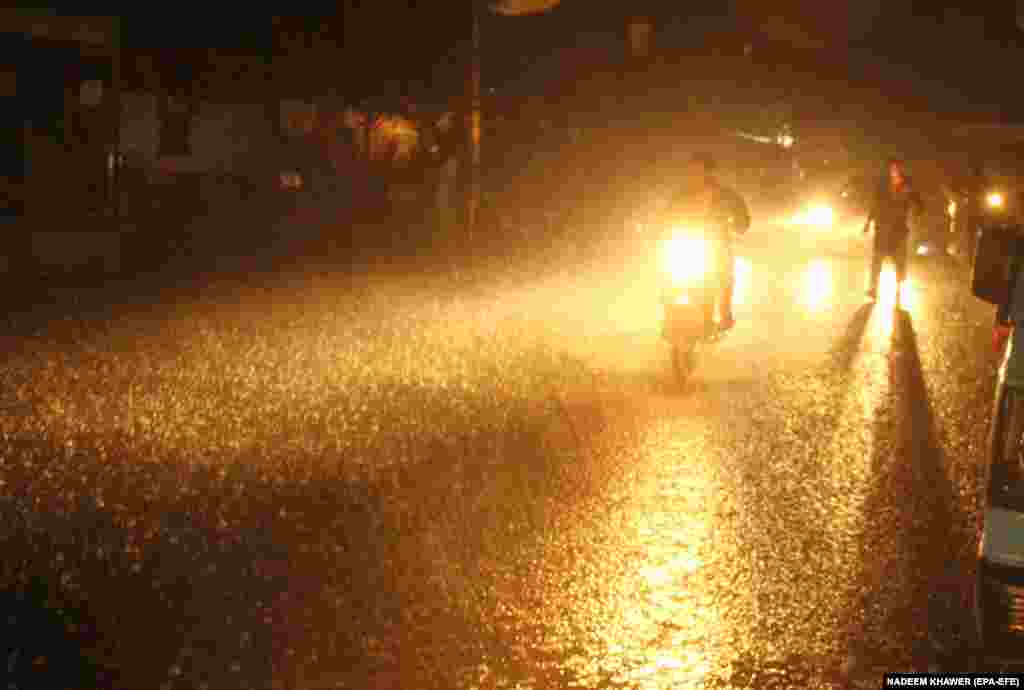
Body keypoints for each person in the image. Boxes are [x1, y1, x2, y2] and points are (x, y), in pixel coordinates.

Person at [666, 152, 751, 331]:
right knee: (666, 273)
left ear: (709, 173)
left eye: (698, 170)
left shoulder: (725, 195)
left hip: (716, 243)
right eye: (691, 171)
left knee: (724, 274)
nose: (694, 175)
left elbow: (741, 215)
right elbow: (666, 216)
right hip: (687, 243)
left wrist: (738, 226)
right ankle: (670, 313)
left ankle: (725, 312)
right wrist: (659, 231)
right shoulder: (681, 195)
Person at [863, 157, 925, 303]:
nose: (894, 171)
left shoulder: (907, 185)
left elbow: (919, 203)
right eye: (892, 168)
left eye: (897, 168)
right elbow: (875, 204)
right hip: (882, 228)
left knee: (899, 261)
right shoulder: (882, 185)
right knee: (877, 260)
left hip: (899, 229)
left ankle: (898, 288)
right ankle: (873, 288)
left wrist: (917, 211)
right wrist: (868, 222)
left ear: (901, 169)